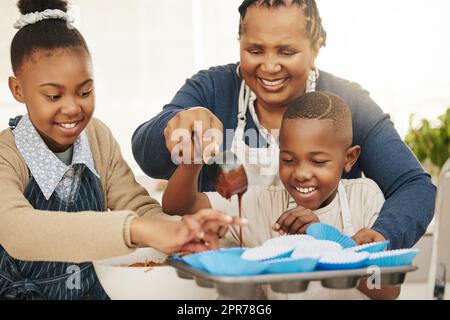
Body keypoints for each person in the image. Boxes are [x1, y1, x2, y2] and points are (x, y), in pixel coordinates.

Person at [132, 0, 435, 250]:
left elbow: (414, 186)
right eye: (255, 50)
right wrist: (174, 126)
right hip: (227, 282)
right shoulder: (212, 88)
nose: (270, 66)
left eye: (286, 51)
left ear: (315, 48)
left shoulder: (348, 102)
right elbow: (148, 157)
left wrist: (383, 235)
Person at [0, 0, 245, 300]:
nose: (72, 108)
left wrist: (186, 229)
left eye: (85, 92)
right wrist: (136, 230)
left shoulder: (96, 136)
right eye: (53, 96)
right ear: (18, 90)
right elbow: (18, 229)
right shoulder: (7, 154)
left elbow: (137, 206)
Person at [162, 91, 400, 300]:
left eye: (318, 162)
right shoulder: (261, 203)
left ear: (349, 158)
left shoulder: (365, 197)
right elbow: (179, 205)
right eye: (288, 160)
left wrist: (327, 244)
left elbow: (388, 290)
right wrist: (192, 161)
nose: (301, 173)